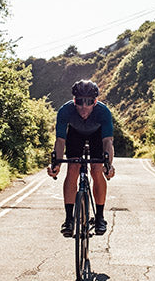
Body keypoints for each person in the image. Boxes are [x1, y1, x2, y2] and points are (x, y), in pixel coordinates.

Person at [47, 80, 116, 236]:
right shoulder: (65, 111)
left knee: (97, 170)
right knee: (73, 168)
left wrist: (108, 166)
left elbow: (107, 141)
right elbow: (60, 141)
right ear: (74, 101)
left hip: (97, 136)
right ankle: (69, 219)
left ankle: (99, 218)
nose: (84, 107)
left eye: (89, 102)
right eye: (80, 102)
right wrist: (56, 164)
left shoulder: (103, 112)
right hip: (75, 134)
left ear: (95, 102)